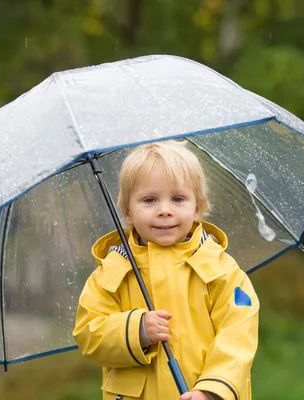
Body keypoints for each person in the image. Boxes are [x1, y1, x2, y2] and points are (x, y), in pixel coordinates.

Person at [73, 140, 260, 400]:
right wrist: (136, 330)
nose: (164, 211)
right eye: (149, 200)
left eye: (178, 199)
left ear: (197, 207)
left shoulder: (221, 269)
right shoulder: (112, 273)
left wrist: (212, 390)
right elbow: (89, 333)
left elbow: (238, 334)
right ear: (127, 212)